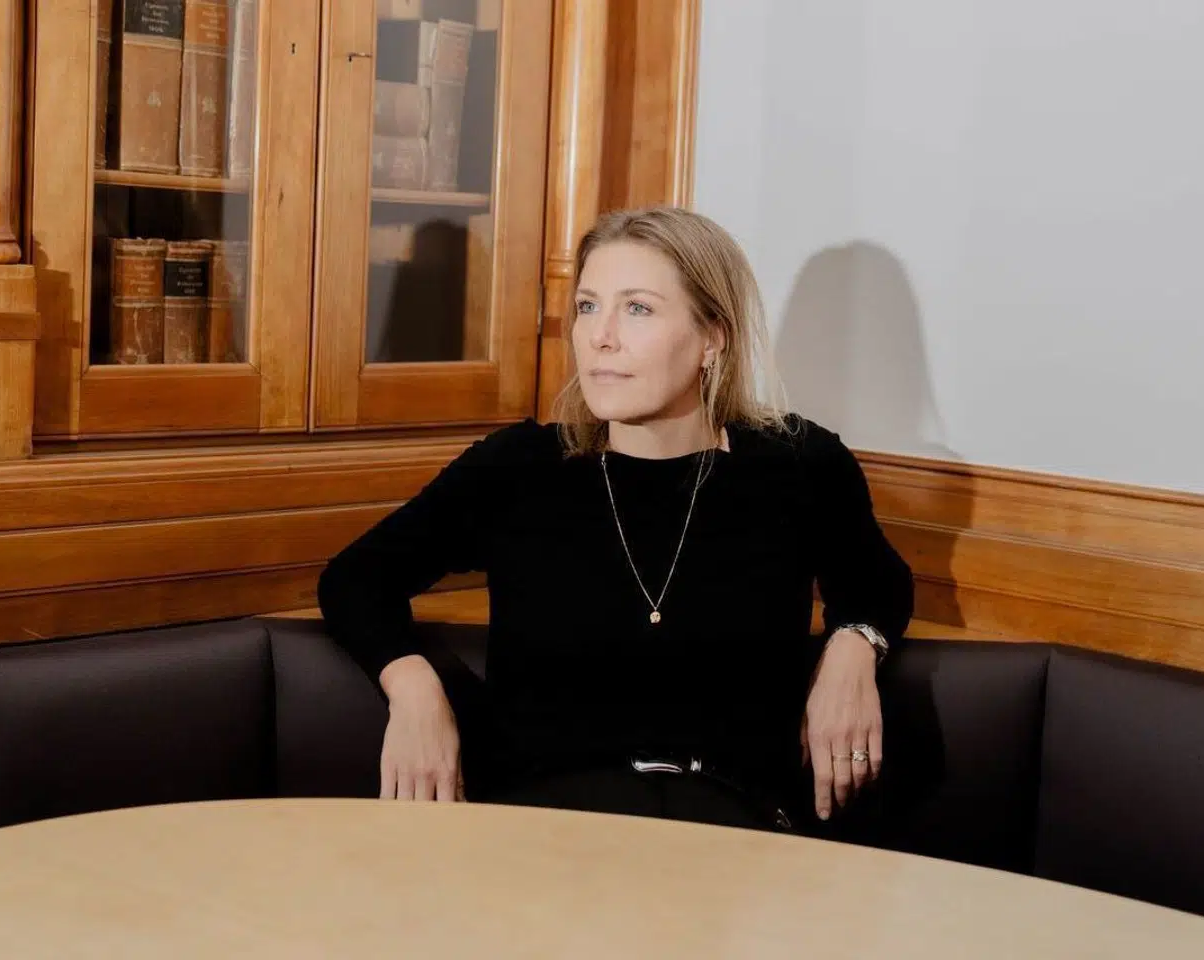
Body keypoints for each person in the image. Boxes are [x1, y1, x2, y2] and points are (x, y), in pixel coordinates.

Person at [318, 205, 914, 835]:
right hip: (543, 834)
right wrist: (413, 687)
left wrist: (854, 647)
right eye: (587, 306)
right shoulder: (519, 467)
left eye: (637, 309)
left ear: (712, 337)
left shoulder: (798, 464)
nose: (600, 336)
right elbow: (355, 579)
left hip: (732, 840)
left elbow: (879, 584)